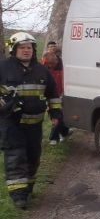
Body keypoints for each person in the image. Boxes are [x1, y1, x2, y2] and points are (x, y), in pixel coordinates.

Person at [0, 32, 62, 209]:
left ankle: (27, 188)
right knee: (15, 157)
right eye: (22, 47)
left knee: (33, 157)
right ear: (14, 49)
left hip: (34, 125)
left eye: (29, 48)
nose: (26, 51)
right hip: (11, 124)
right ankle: (18, 196)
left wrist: (56, 114)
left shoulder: (42, 70)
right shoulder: (3, 68)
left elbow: (53, 94)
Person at [41, 49, 69, 144]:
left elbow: (64, 80)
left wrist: (63, 93)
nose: (49, 66)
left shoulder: (63, 65)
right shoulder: (45, 65)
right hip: (50, 94)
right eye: (48, 64)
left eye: (51, 64)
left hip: (61, 93)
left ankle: (54, 137)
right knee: (56, 115)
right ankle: (64, 132)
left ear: (56, 61)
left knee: (58, 115)